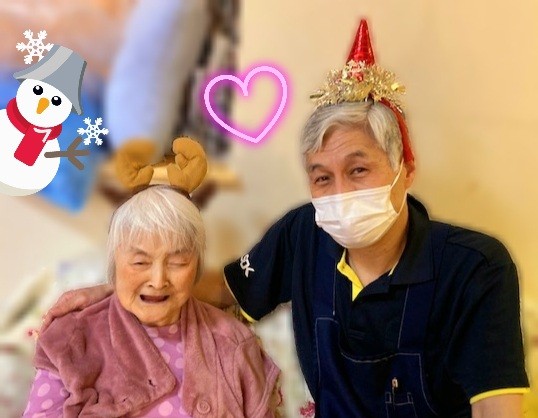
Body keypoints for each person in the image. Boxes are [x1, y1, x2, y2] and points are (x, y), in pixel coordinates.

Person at [42, 20, 529, 417]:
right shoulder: (302, 234)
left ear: (406, 169)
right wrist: (118, 288)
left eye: (358, 170)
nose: (339, 194)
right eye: (322, 178)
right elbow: (223, 291)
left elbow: (496, 408)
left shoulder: (476, 268)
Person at [26, 181, 280, 415]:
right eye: (140, 262)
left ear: (196, 267)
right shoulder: (71, 337)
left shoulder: (233, 342)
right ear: (115, 263)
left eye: (178, 262)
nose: (158, 281)